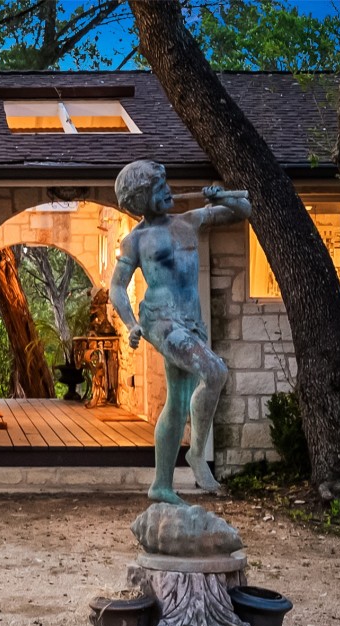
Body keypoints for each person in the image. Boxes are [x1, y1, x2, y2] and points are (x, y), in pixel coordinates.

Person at [108, 160, 251, 505]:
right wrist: (132, 323)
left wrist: (223, 198)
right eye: (159, 190)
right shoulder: (135, 240)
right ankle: (198, 454)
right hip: (161, 321)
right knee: (214, 371)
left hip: (191, 321)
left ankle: (161, 485)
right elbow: (116, 287)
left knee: (176, 404)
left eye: (166, 185)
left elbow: (243, 210)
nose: (168, 192)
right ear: (141, 201)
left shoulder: (191, 220)